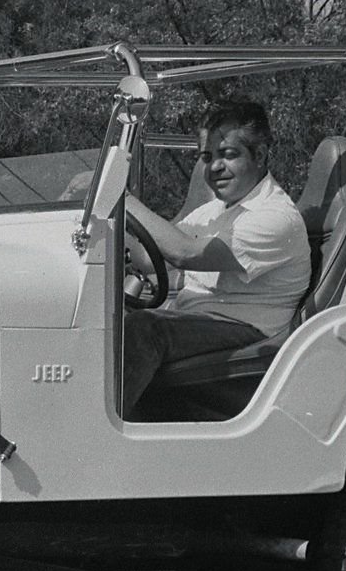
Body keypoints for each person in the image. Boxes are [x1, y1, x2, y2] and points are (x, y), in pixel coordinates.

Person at [120, 98, 311, 417]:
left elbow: (184, 253)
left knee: (144, 329)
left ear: (260, 155)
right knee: (104, 322)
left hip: (247, 333)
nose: (214, 168)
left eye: (228, 155)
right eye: (207, 157)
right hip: (197, 321)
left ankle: (83, 444)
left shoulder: (275, 218)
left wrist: (123, 200)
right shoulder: (213, 211)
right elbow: (152, 259)